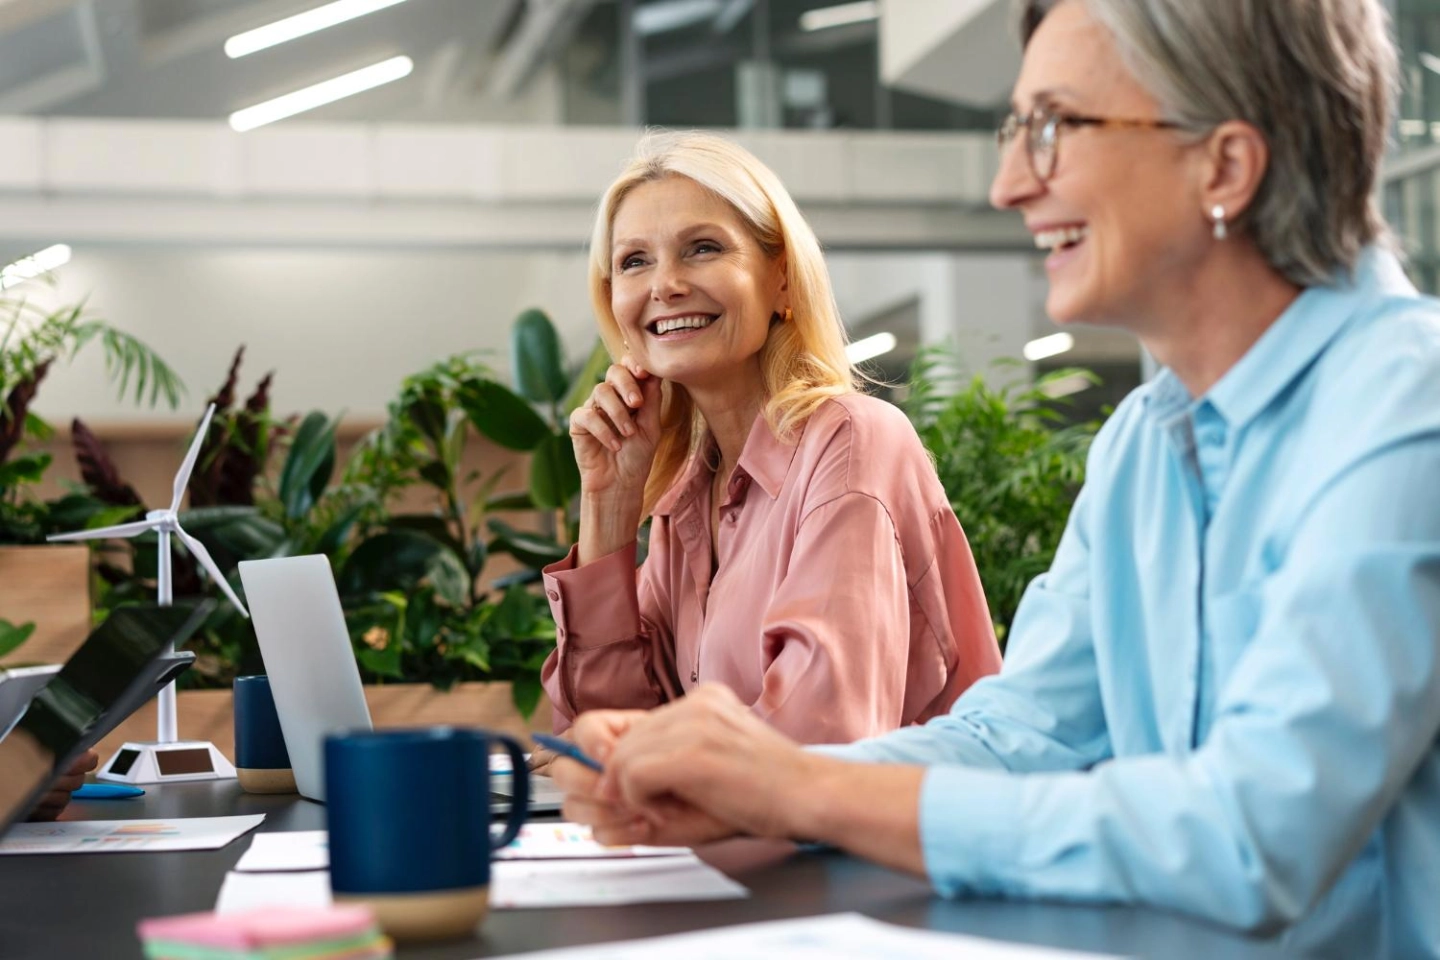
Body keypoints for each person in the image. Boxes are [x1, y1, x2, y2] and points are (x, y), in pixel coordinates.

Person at [550, 1, 1440, 954]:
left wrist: (795, 787)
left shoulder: (1407, 405)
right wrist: (747, 789)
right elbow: (1016, 735)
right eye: (1018, 133)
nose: (1010, 184)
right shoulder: (1146, 438)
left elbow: (1257, 834)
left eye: (1054, 129)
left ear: (1223, 164)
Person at [539, 132, 1001, 745]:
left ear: (781, 280)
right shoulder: (688, 498)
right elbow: (599, 728)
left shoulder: (852, 445)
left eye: (702, 248)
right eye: (634, 261)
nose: (665, 284)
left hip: (876, 839)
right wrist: (609, 508)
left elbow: (816, 742)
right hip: (732, 840)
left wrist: (631, 760)